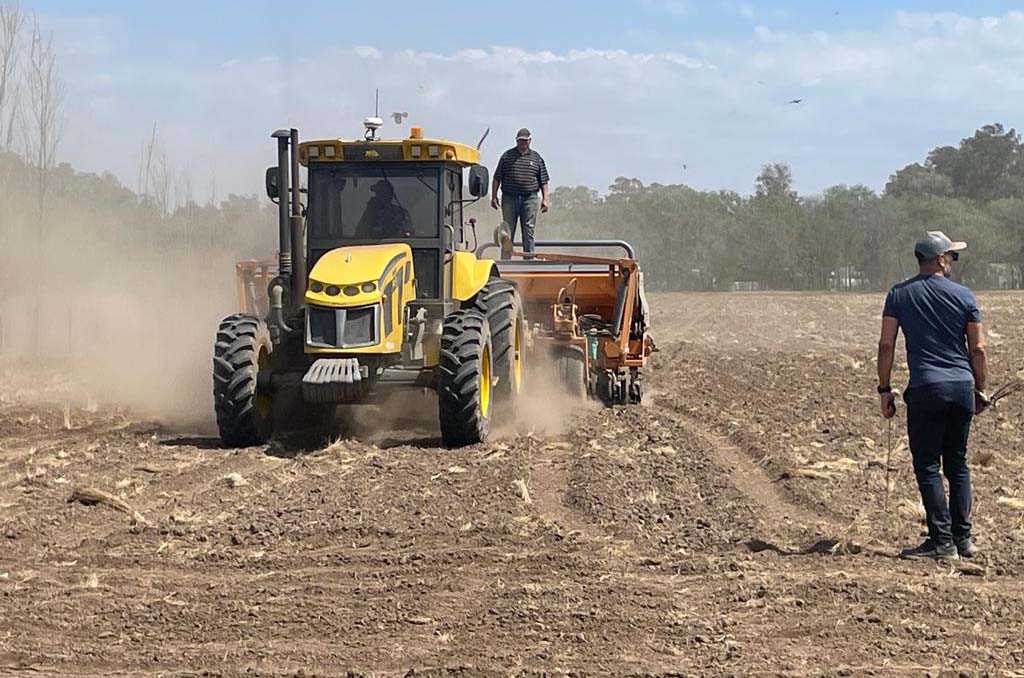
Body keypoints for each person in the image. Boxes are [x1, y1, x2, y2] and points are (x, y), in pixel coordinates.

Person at [878, 231, 989, 561]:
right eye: (952, 256)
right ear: (940, 259)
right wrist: (980, 389)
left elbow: (886, 345)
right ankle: (963, 540)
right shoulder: (965, 296)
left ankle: (941, 542)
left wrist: (884, 389)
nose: (954, 261)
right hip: (960, 387)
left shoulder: (899, 295)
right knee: (957, 464)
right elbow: (978, 348)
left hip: (926, 388)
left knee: (927, 465)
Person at [491, 128, 549, 254]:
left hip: (530, 199)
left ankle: (529, 263)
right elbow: (497, 178)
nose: (523, 143)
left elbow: (543, 180)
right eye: (521, 141)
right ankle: (505, 262)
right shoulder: (507, 157)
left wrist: (545, 199)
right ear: (516, 141)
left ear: (530, 141)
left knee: (528, 231)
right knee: (507, 232)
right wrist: (494, 196)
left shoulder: (536, 158)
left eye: (525, 141)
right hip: (509, 198)